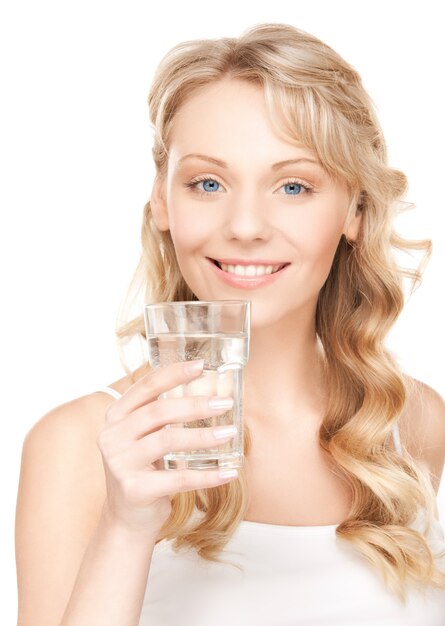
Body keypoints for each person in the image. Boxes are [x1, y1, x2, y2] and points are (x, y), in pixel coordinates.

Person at [15, 22, 445, 626]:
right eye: (208, 183)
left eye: (293, 185)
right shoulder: (79, 445)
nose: (245, 225)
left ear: (355, 208)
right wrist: (126, 527)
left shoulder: (411, 425)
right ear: (162, 201)